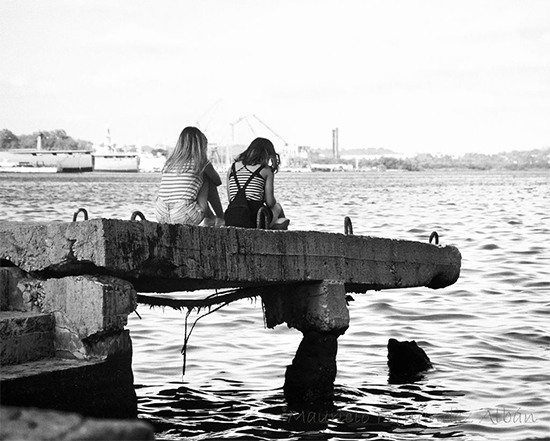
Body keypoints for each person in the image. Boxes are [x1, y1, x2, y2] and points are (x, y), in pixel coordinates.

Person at [155, 126, 224, 226]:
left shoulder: (170, 163)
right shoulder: (202, 162)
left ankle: (212, 218)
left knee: (196, 183)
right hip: (183, 215)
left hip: (160, 213)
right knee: (207, 179)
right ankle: (220, 217)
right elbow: (217, 181)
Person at [225, 137, 289, 229]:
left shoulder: (232, 168)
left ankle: (275, 226)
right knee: (278, 208)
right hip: (255, 218)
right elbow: (270, 202)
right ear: (268, 155)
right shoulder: (266, 170)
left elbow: (230, 198)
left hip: (231, 217)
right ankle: (279, 232)